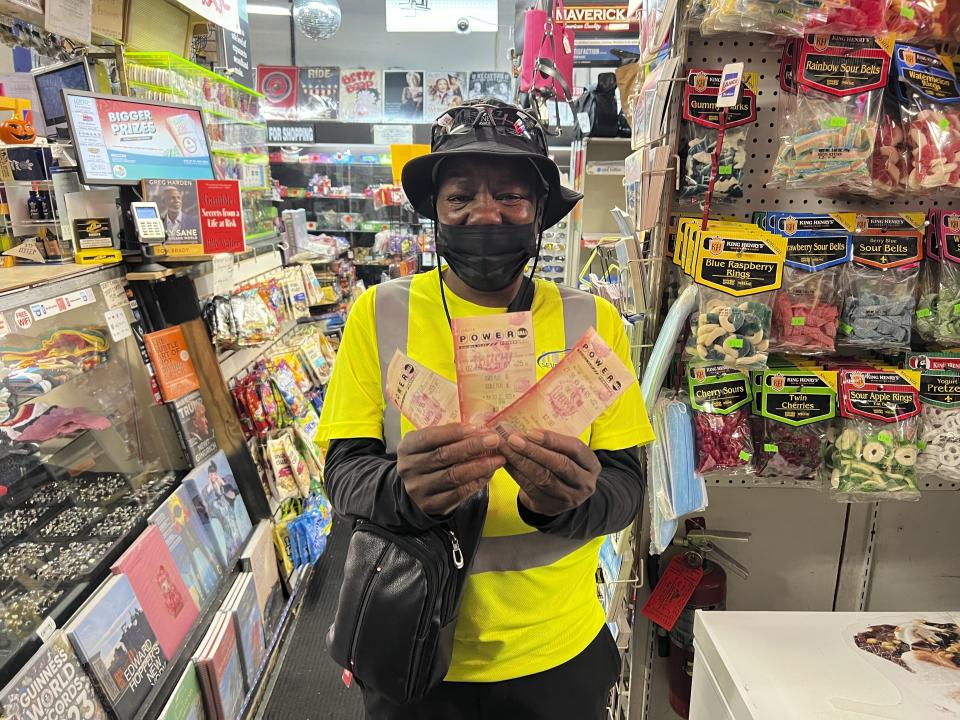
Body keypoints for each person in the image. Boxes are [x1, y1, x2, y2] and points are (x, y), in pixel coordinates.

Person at [319, 99, 655, 720]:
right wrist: (401, 490)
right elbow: (343, 472)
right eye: (460, 198)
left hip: (558, 650)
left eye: (510, 197)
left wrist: (574, 502)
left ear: (539, 217)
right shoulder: (381, 314)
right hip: (413, 643)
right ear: (436, 215)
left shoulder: (590, 319)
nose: (485, 213)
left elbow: (628, 484)